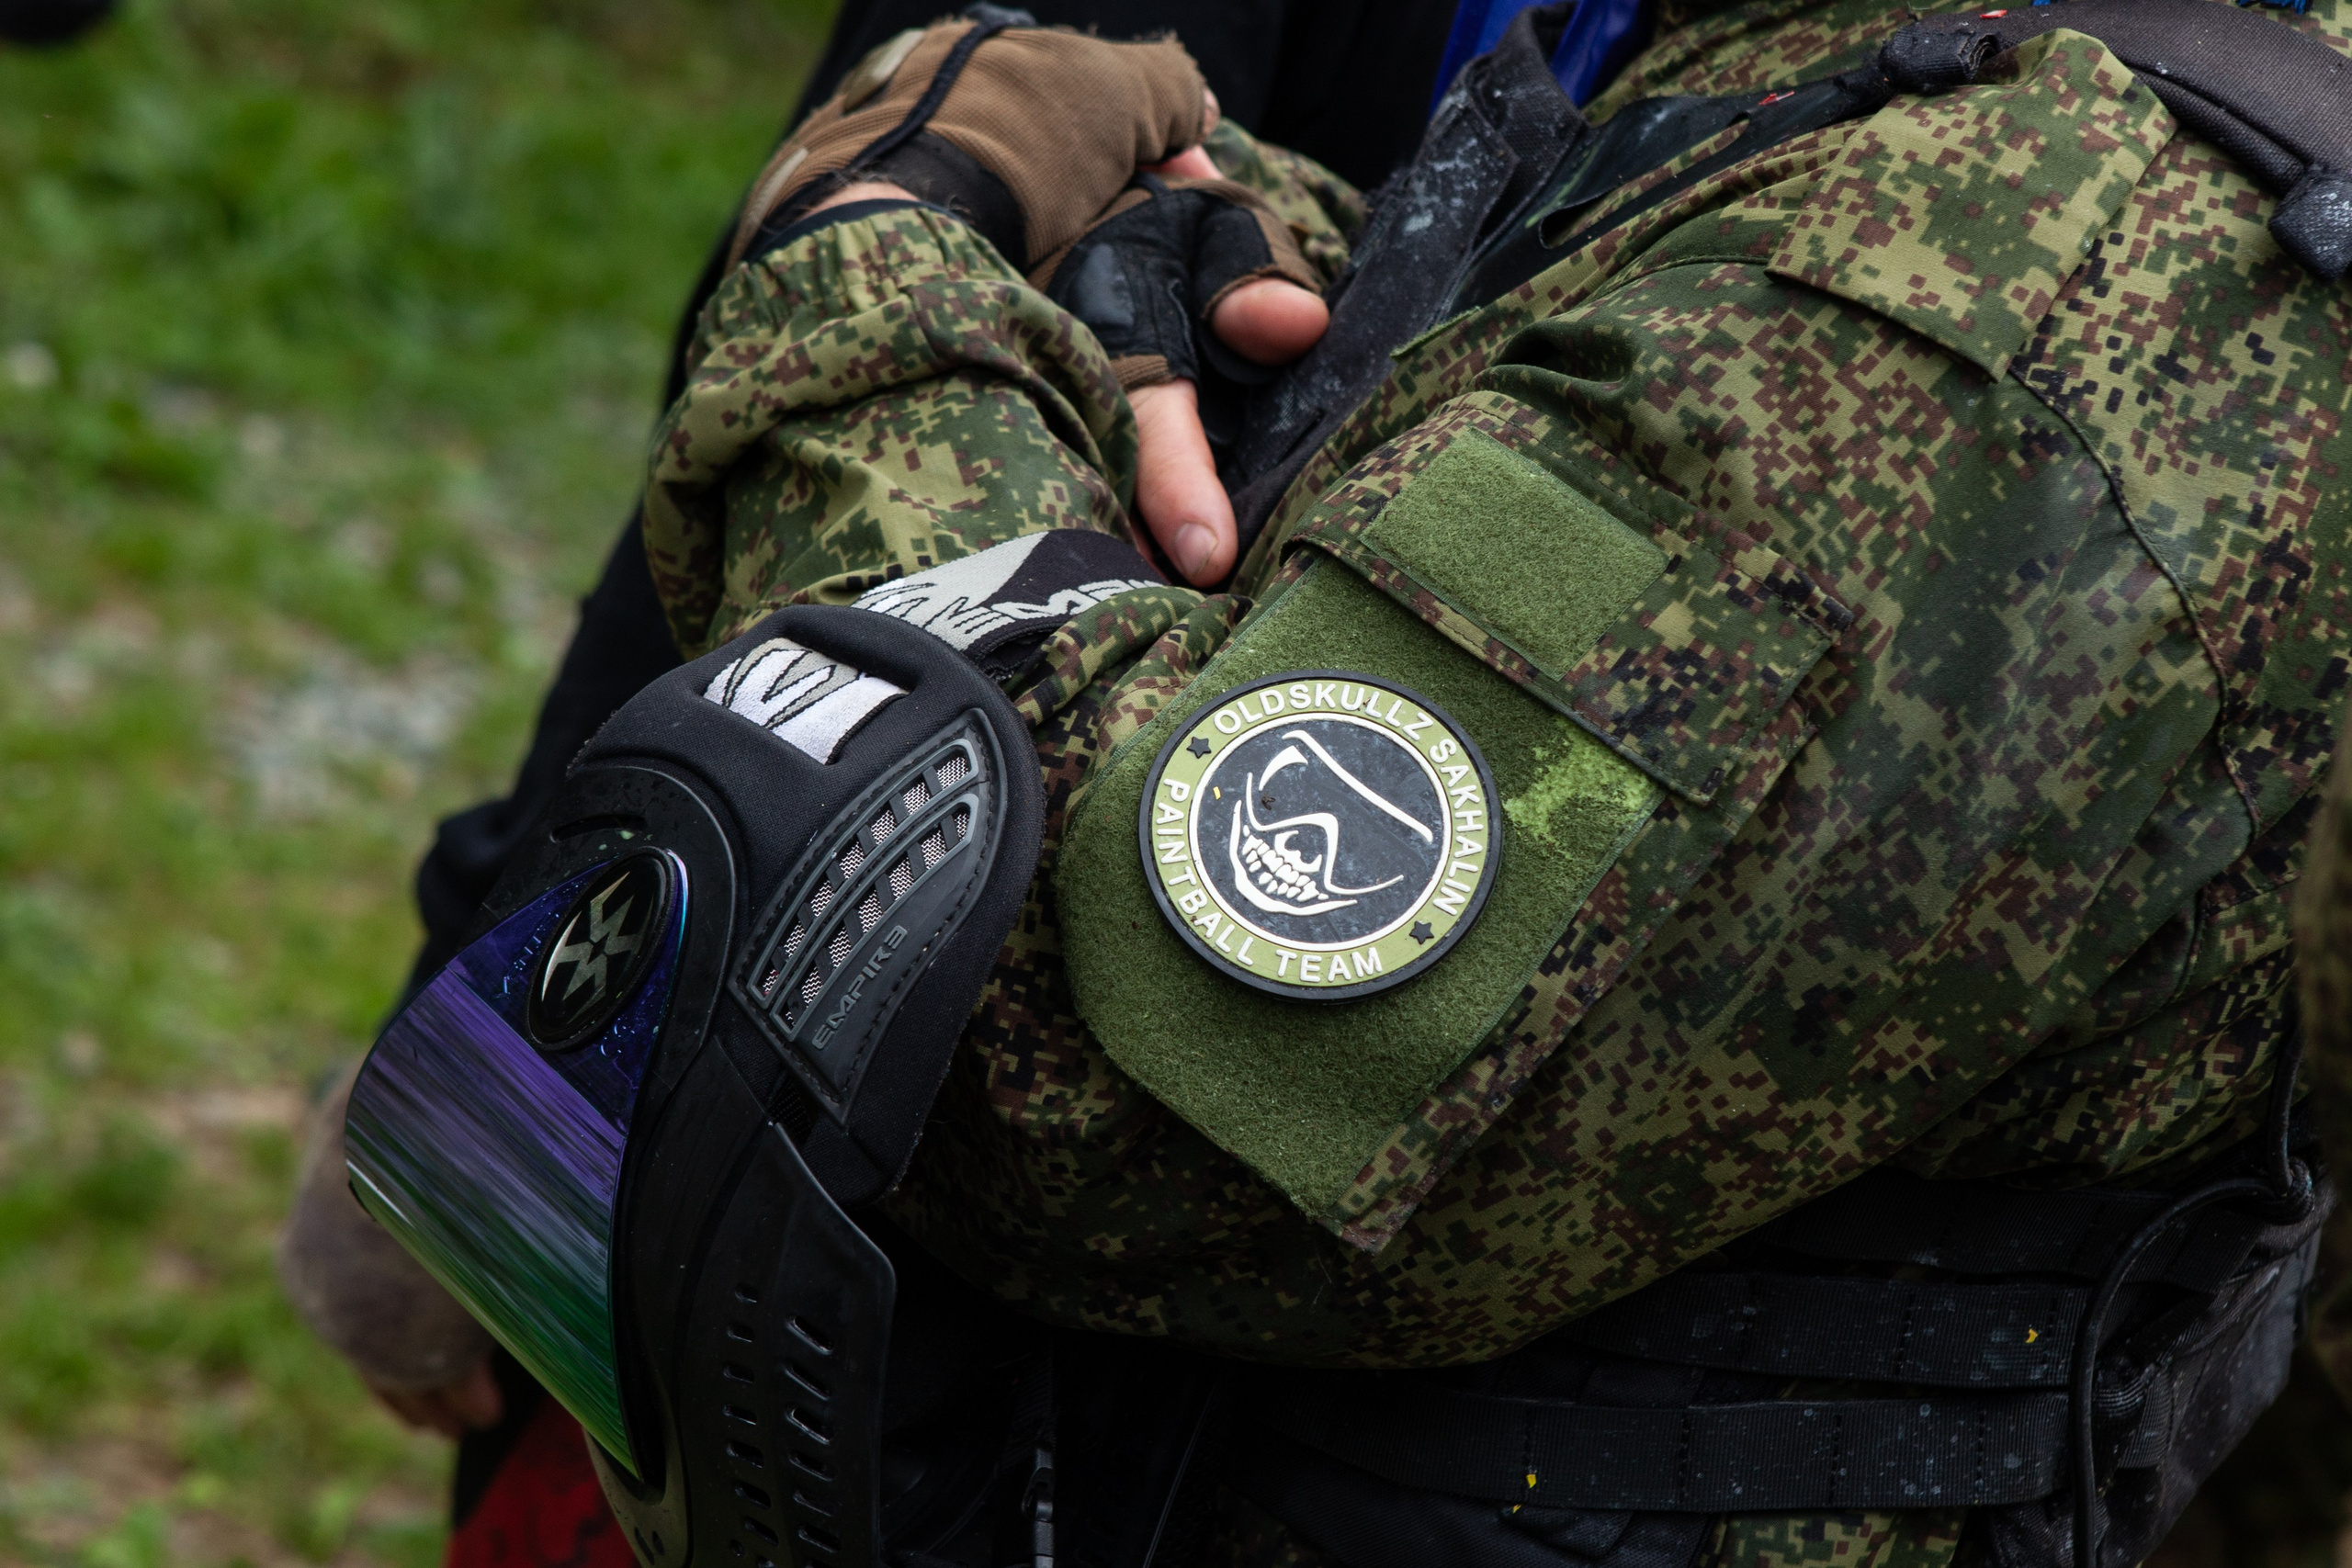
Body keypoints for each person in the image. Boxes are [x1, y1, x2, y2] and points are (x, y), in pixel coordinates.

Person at [286, 0, 2352, 1563]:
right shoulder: (1963, 88)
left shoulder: (2034, 282)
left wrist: (886, 259)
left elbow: (1069, 1060)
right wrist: (1213, 288)